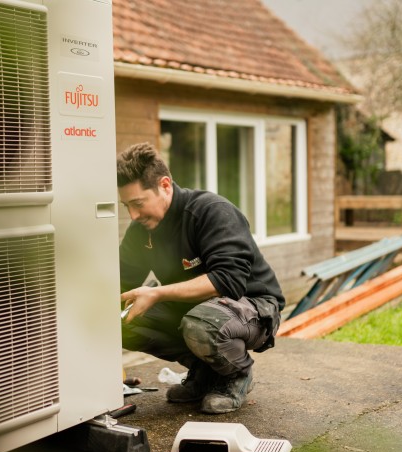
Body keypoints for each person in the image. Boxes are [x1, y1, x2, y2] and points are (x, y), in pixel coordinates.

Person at [117, 142, 285, 414]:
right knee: (120, 320)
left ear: (165, 185)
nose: (133, 215)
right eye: (127, 206)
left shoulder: (211, 211)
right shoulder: (141, 230)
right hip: (195, 311)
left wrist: (157, 293)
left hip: (253, 307)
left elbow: (228, 281)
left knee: (202, 322)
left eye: (138, 203)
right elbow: (120, 282)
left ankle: (236, 375)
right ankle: (204, 372)